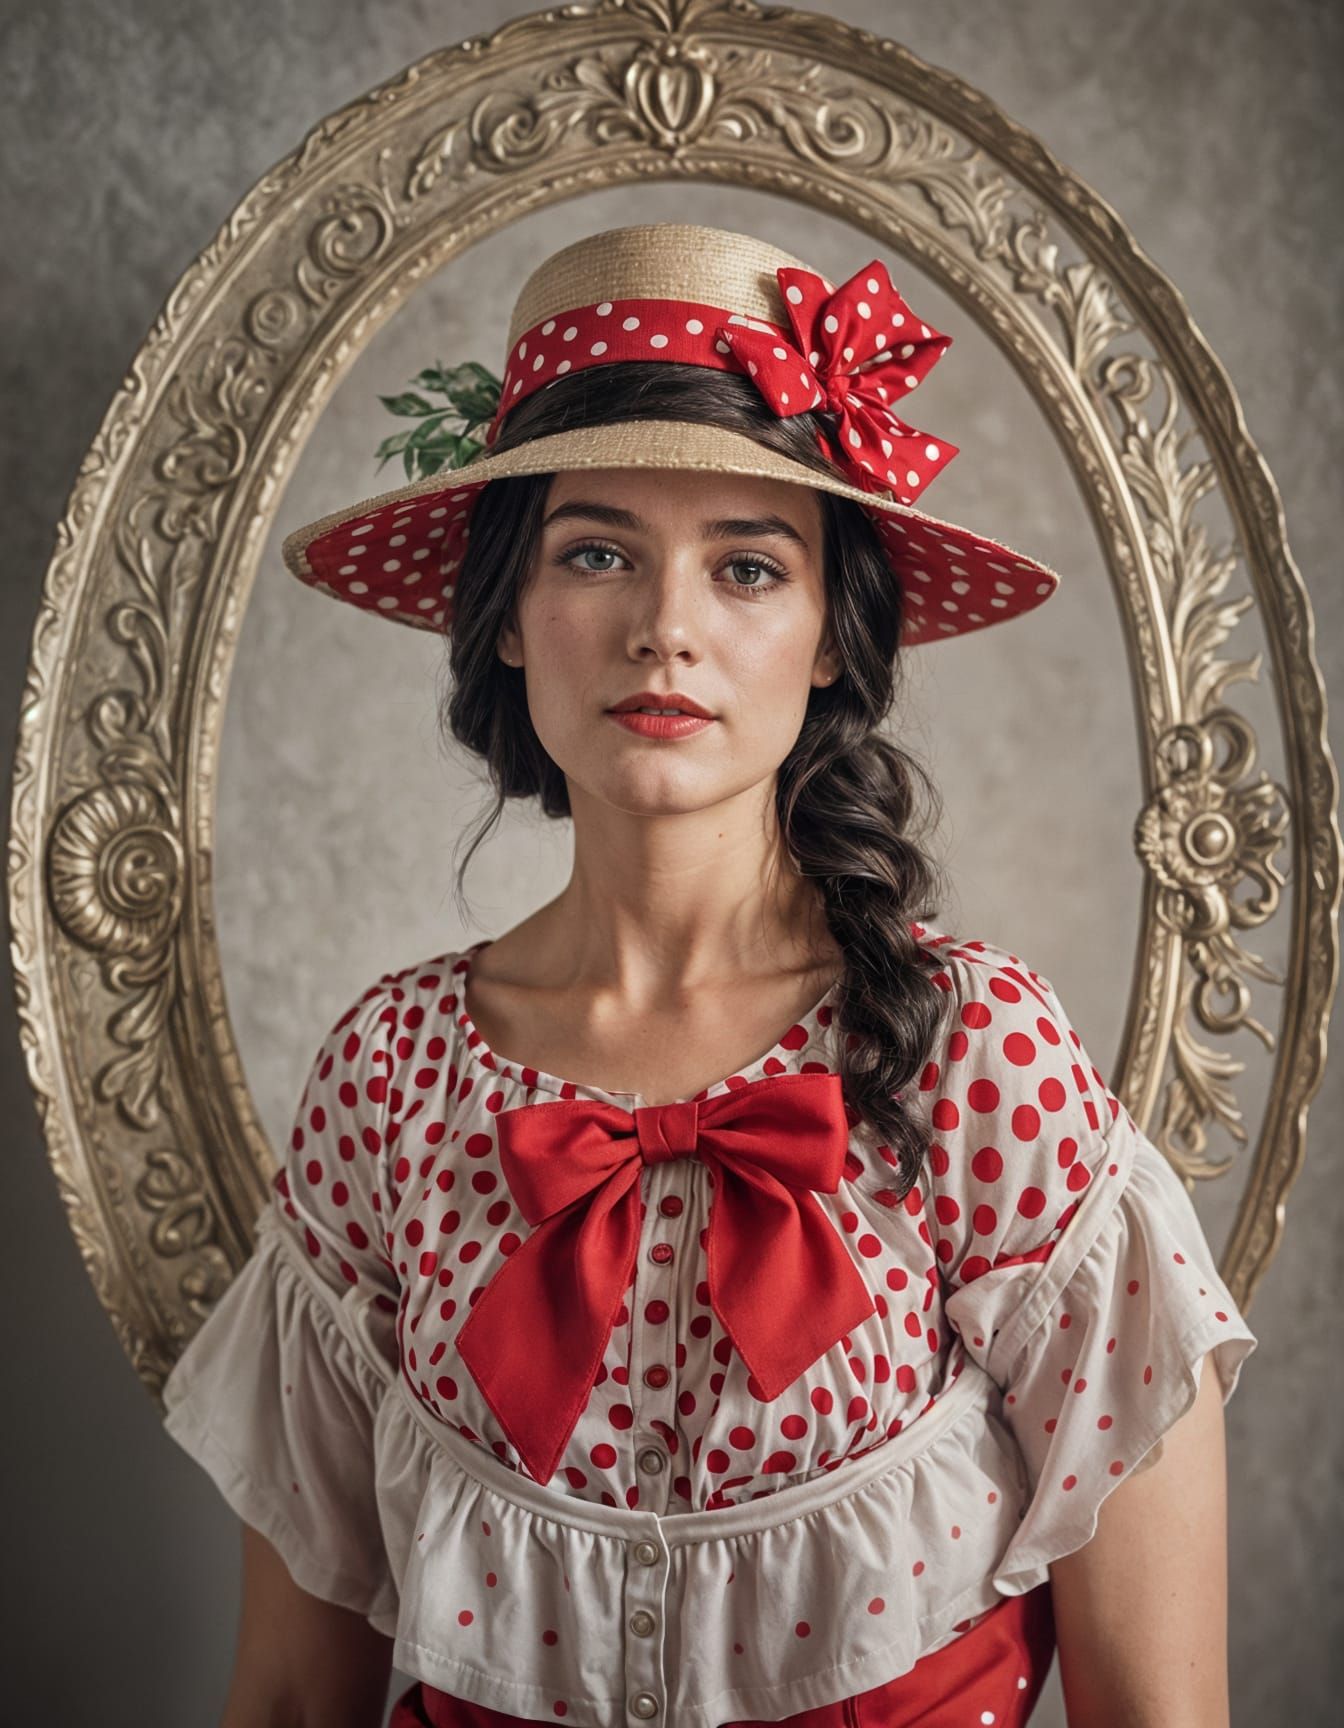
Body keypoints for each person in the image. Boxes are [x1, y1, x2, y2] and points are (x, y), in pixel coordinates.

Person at [161, 222, 1257, 1728]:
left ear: (827, 637)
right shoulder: (389, 1075)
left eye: (748, 566)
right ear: (509, 618)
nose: (666, 630)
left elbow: (1161, 1708)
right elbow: (292, 1694)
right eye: (596, 551)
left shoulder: (977, 1053)